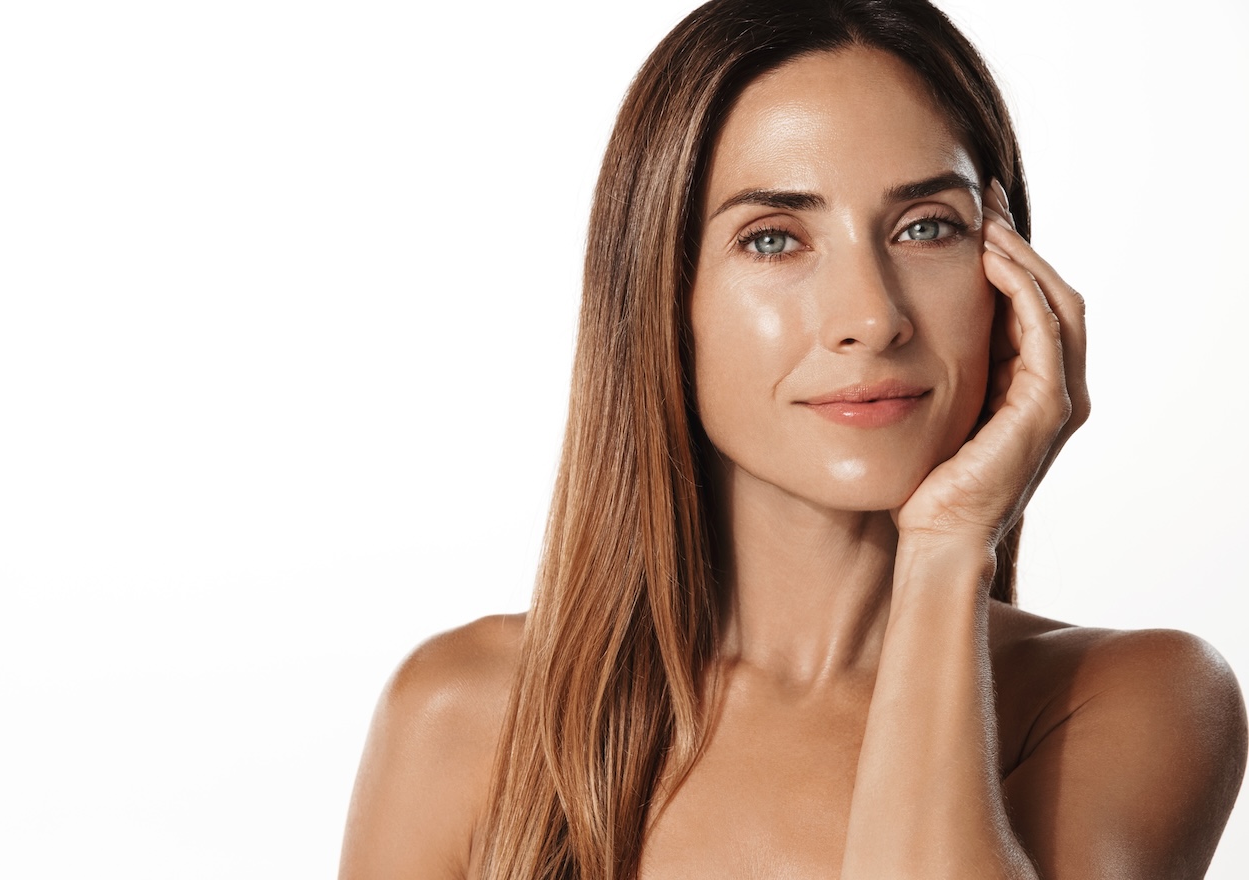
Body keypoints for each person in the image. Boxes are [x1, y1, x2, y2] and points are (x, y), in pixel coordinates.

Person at [338, 0, 1248, 877]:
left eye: (926, 228)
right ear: (662, 296)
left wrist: (948, 548)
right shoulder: (467, 718)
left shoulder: (1133, 702)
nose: (871, 317)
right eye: (775, 240)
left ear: (1012, 280)